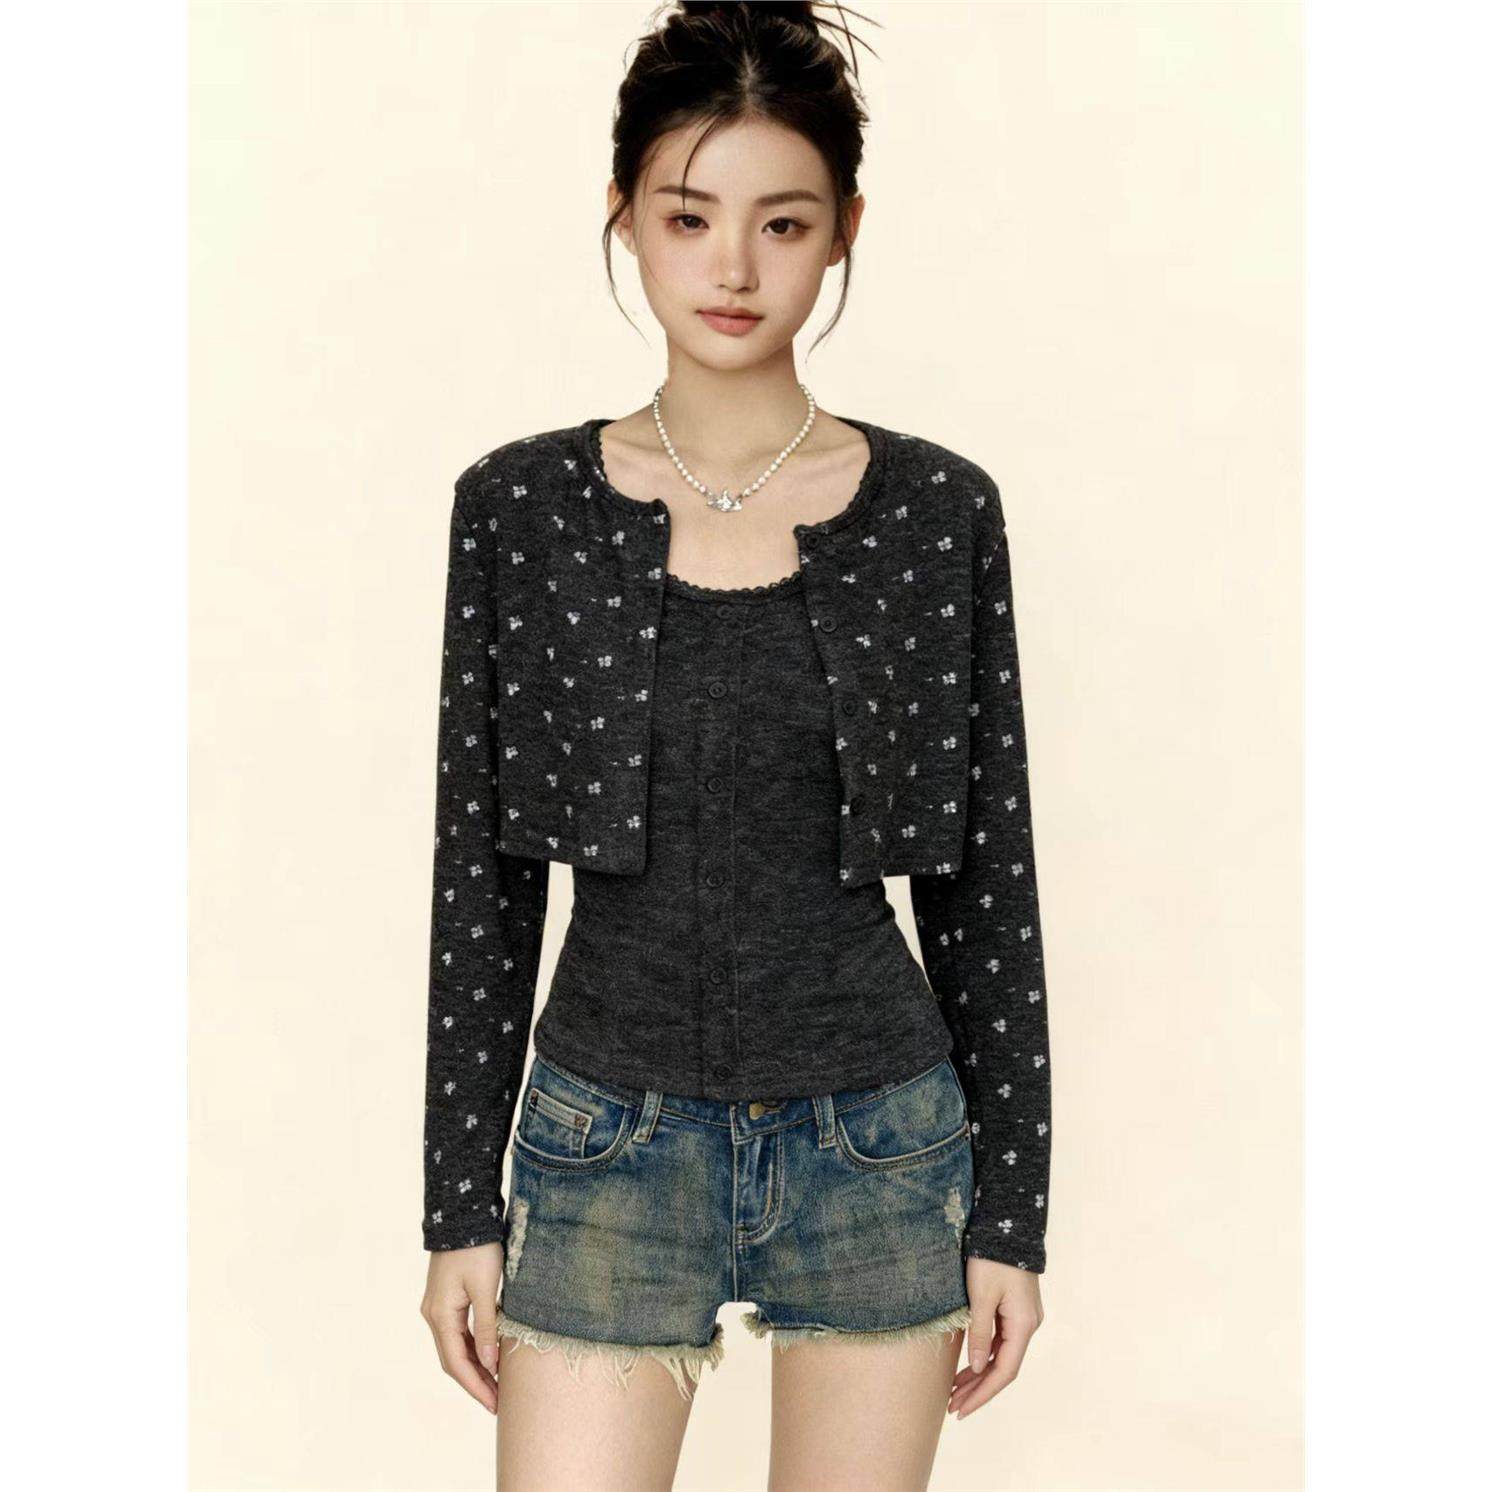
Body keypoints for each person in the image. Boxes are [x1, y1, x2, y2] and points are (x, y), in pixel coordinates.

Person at [418, 4, 1051, 1486]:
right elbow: (481, 882)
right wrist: (458, 1208)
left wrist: (1010, 1215)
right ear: (627, 216)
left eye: (784, 222)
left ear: (844, 232)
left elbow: (985, 880)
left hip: (881, 1144)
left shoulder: (936, 514)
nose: (734, 269)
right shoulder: (522, 511)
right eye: (689, 217)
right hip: (601, 1139)